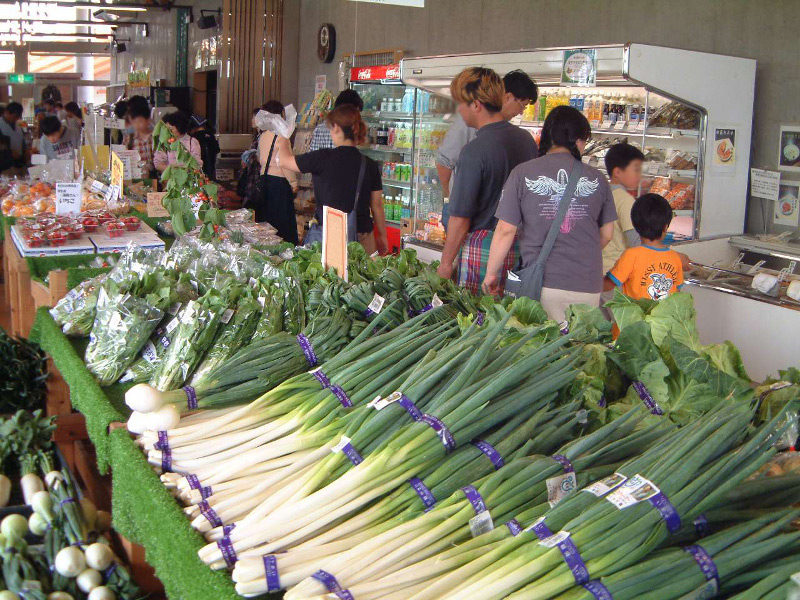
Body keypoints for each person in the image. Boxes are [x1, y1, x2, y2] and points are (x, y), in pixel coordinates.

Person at [483, 105, 617, 323]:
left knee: (542, 349)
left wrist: (491, 274)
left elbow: (506, 230)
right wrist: (579, 250)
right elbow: (607, 234)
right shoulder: (597, 179)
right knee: (577, 350)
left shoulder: (522, 173)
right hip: (587, 284)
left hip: (541, 283)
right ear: (578, 140)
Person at [436, 67, 538, 294]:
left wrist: (445, 265)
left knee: (475, 321)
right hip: (519, 251)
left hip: (480, 252)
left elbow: (461, 219)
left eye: (461, 103)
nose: (459, 110)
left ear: (476, 105)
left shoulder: (474, 151)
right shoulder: (527, 141)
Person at [277, 104, 388, 254]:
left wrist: (283, 134)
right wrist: (382, 236)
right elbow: (377, 205)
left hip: (329, 237)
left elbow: (283, 160)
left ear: (336, 128)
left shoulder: (321, 158)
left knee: (328, 277)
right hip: (362, 238)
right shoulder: (369, 164)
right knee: (361, 277)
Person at [436, 69, 539, 195]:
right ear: (508, 97)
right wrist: (451, 199)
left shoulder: (510, 133)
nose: (521, 112)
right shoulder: (470, 122)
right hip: (463, 208)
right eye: (522, 105)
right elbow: (444, 163)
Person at [605, 193, 684, 303]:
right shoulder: (675, 258)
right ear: (666, 227)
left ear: (635, 226)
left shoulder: (631, 255)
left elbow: (608, 284)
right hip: (665, 319)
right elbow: (677, 292)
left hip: (635, 319)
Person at [252, 100, 299, 244]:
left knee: (267, 224)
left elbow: (260, 158)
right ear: (280, 115)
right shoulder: (282, 136)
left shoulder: (263, 135)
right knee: (283, 227)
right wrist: (294, 183)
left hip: (264, 181)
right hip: (279, 183)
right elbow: (285, 163)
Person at [602, 143, 645, 276]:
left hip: (598, 267)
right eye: (636, 169)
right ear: (617, 172)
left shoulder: (602, 193)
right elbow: (635, 242)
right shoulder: (625, 200)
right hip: (617, 271)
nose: (640, 175)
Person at [126, 99, 155, 177]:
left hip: (155, 177)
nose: (137, 125)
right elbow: (124, 157)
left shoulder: (155, 137)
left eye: (140, 121)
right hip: (136, 177)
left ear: (148, 121)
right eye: (134, 122)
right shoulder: (129, 139)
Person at [189, 114, 220, 180]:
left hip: (199, 171)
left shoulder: (193, 138)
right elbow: (217, 150)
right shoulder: (211, 135)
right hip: (211, 168)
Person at [0, 102, 26, 171]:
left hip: (18, 162)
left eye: (18, 117)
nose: (16, 119)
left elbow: (22, 141)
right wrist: (9, 152)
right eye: (15, 116)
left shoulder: (18, 126)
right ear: (7, 112)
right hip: (4, 164)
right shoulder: (1, 125)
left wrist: (26, 150)